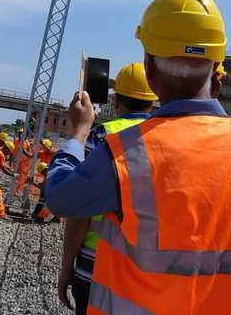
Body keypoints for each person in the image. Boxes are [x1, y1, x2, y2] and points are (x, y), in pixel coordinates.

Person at [46, 0, 231, 315]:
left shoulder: (128, 152)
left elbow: (61, 196)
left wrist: (78, 133)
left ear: (149, 68)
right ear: (216, 65)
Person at [58, 62, 157, 315]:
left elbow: (79, 209)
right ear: (153, 101)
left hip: (95, 269)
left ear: (115, 102)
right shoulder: (165, 137)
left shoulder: (103, 136)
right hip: (147, 277)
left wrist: (66, 265)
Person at [13, 129, 34, 196]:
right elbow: (13, 151)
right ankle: (15, 188)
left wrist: (30, 155)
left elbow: (27, 152)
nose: (20, 134)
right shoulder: (16, 141)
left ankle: (18, 189)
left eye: (22, 133)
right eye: (20, 133)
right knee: (15, 176)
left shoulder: (26, 142)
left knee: (22, 177)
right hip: (16, 161)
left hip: (23, 163)